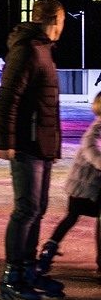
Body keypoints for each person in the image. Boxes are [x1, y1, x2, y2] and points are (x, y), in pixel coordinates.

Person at [0, 0, 66, 300]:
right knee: (26, 210)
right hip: (25, 143)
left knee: (38, 208)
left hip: (42, 143)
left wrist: (53, 144)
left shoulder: (43, 50)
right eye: (62, 21)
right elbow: (8, 97)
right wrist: (5, 141)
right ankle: (10, 282)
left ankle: (27, 271)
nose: (63, 28)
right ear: (52, 20)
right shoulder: (26, 51)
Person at [36, 91, 101, 282]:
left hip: (95, 185)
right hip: (84, 185)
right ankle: (49, 251)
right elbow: (91, 149)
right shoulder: (97, 128)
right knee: (72, 217)